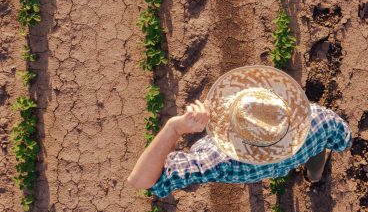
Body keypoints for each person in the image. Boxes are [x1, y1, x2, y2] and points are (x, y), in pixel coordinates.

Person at [127, 65, 352, 198]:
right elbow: (343, 140)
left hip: (250, 171)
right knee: (317, 151)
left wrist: (174, 128)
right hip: (306, 147)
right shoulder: (321, 119)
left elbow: (141, 181)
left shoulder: (219, 162)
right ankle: (314, 176)